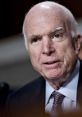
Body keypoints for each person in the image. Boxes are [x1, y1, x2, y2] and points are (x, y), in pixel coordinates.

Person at [5, 1, 82, 117]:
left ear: (77, 43)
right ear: (28, 49)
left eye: (57, 36)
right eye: (35, 40)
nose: (46, 49)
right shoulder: (16, 103)